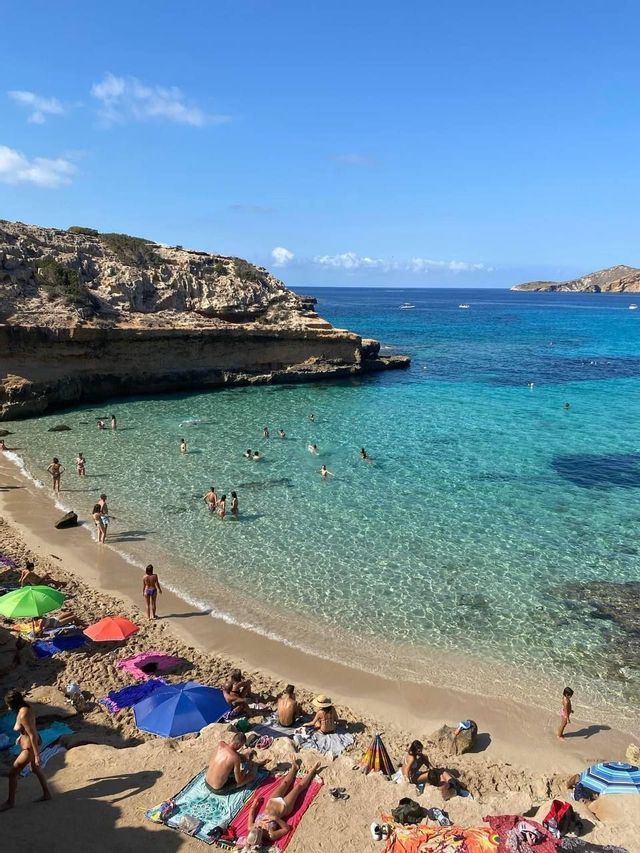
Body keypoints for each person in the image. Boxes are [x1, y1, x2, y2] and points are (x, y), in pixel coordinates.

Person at [243, 760, 320, 849]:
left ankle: (294, 768)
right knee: (298, 788)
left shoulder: (251, 827)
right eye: (259, 829)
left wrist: (255, 803)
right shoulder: (271, 835)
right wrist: (276, 819)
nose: (258, 827)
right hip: (284, 807)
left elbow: (251, 813)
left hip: (272, 801)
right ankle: (312, 771)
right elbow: (286, 829)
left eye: (256, 828)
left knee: (284, 783)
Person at [1, 690, 51, 810]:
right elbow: (28, 728)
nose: (8, 707)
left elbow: (32, 734)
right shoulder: (26, 708)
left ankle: (10, 802)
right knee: (35, 769)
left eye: (9, 704)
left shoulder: (23, 715)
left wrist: (37, 756)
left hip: (29, 748)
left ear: (13, 703)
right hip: (30, 744)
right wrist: (21, 735)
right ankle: (47, 793)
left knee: (12, 773)